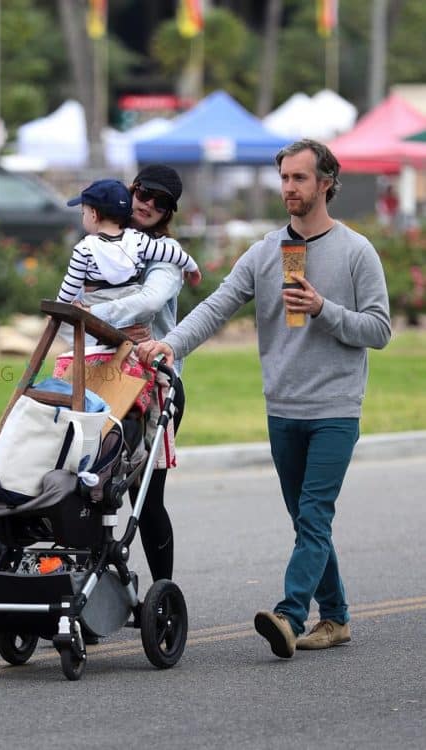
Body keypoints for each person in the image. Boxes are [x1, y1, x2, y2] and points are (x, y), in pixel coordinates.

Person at [137, 140, 391, 658]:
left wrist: (324, 308)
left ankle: (289, 614)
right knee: (305, 521)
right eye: (285, 179)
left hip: (335, 410)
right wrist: (171, 343)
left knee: (315, 516)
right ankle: (337, 617)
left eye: (300, 179)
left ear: (326, 183)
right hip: (283, 407)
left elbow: (380, 329)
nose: (289, 189)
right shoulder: (266, 252)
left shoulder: (356, 251)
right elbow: (217, 305)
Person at [68, 165, 191, 583]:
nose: (148, 205)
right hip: (100, 378)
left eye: (161, 203)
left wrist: (90, 313)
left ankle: (163, 595)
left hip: (153, 385)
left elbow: (149, 301)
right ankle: (88, 589)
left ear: (169, 213)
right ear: (130, 190)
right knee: (85, 488)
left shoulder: (162, 254)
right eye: (143, 193)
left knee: (145, 498)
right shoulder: (101, 244)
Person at [57, 177, 201, 312]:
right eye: (145, 195)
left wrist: (57, 310)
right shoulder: (138, 240)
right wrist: (192, 267)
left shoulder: (84, 249)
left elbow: (70, 286)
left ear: (94, 214)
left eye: (84, 213)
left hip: (95, 307)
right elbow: (172, 254)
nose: (149, 204)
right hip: (133, 312)